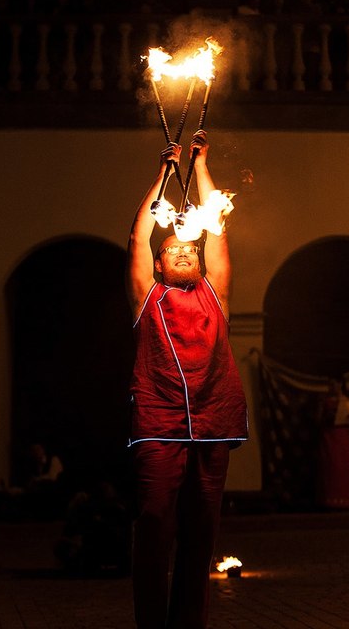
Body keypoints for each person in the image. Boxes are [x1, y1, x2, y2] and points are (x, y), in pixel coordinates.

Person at [125, 130, 248, 629]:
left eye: (189, 250)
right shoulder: (147, 297)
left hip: (213, 422)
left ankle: (188, 624)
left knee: (201, 534)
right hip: (159, 423)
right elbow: (137, 237)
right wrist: (162, 173)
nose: (183, 252)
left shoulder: (215, 294)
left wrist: (199, 165)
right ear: (158, 264)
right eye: (172, 249)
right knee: (155, 521)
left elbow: (216, 229)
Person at [316, 378, 349, 510]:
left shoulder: (348, 401)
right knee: (332, 466)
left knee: (344, 466)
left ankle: (347, 500)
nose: (332, 386)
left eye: (335, 384)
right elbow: (317, 420)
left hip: (344, 437)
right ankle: (330, 500)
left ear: (340, 385)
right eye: (331, 384)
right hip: (330, 437)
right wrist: (328, 416)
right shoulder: (325, 401)